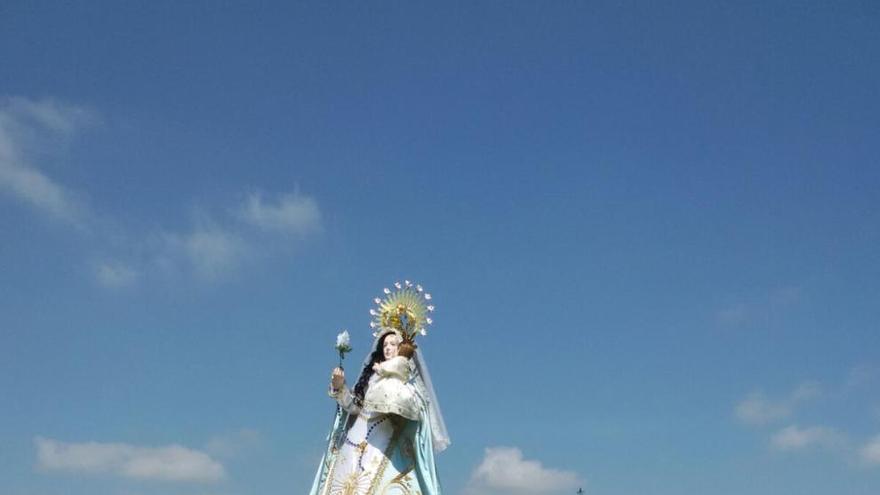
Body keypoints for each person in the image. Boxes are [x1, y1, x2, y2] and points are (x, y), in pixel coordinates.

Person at [309, 329, 448, 495]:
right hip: (355, 442)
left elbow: (411, 409)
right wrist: (340, 387)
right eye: (385, 345)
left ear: (401, 348)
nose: (387, 348)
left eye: (393, 344)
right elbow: (354, 407)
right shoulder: (373, 377)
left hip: (387, 448)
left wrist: (397, 370)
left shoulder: (407, 385)